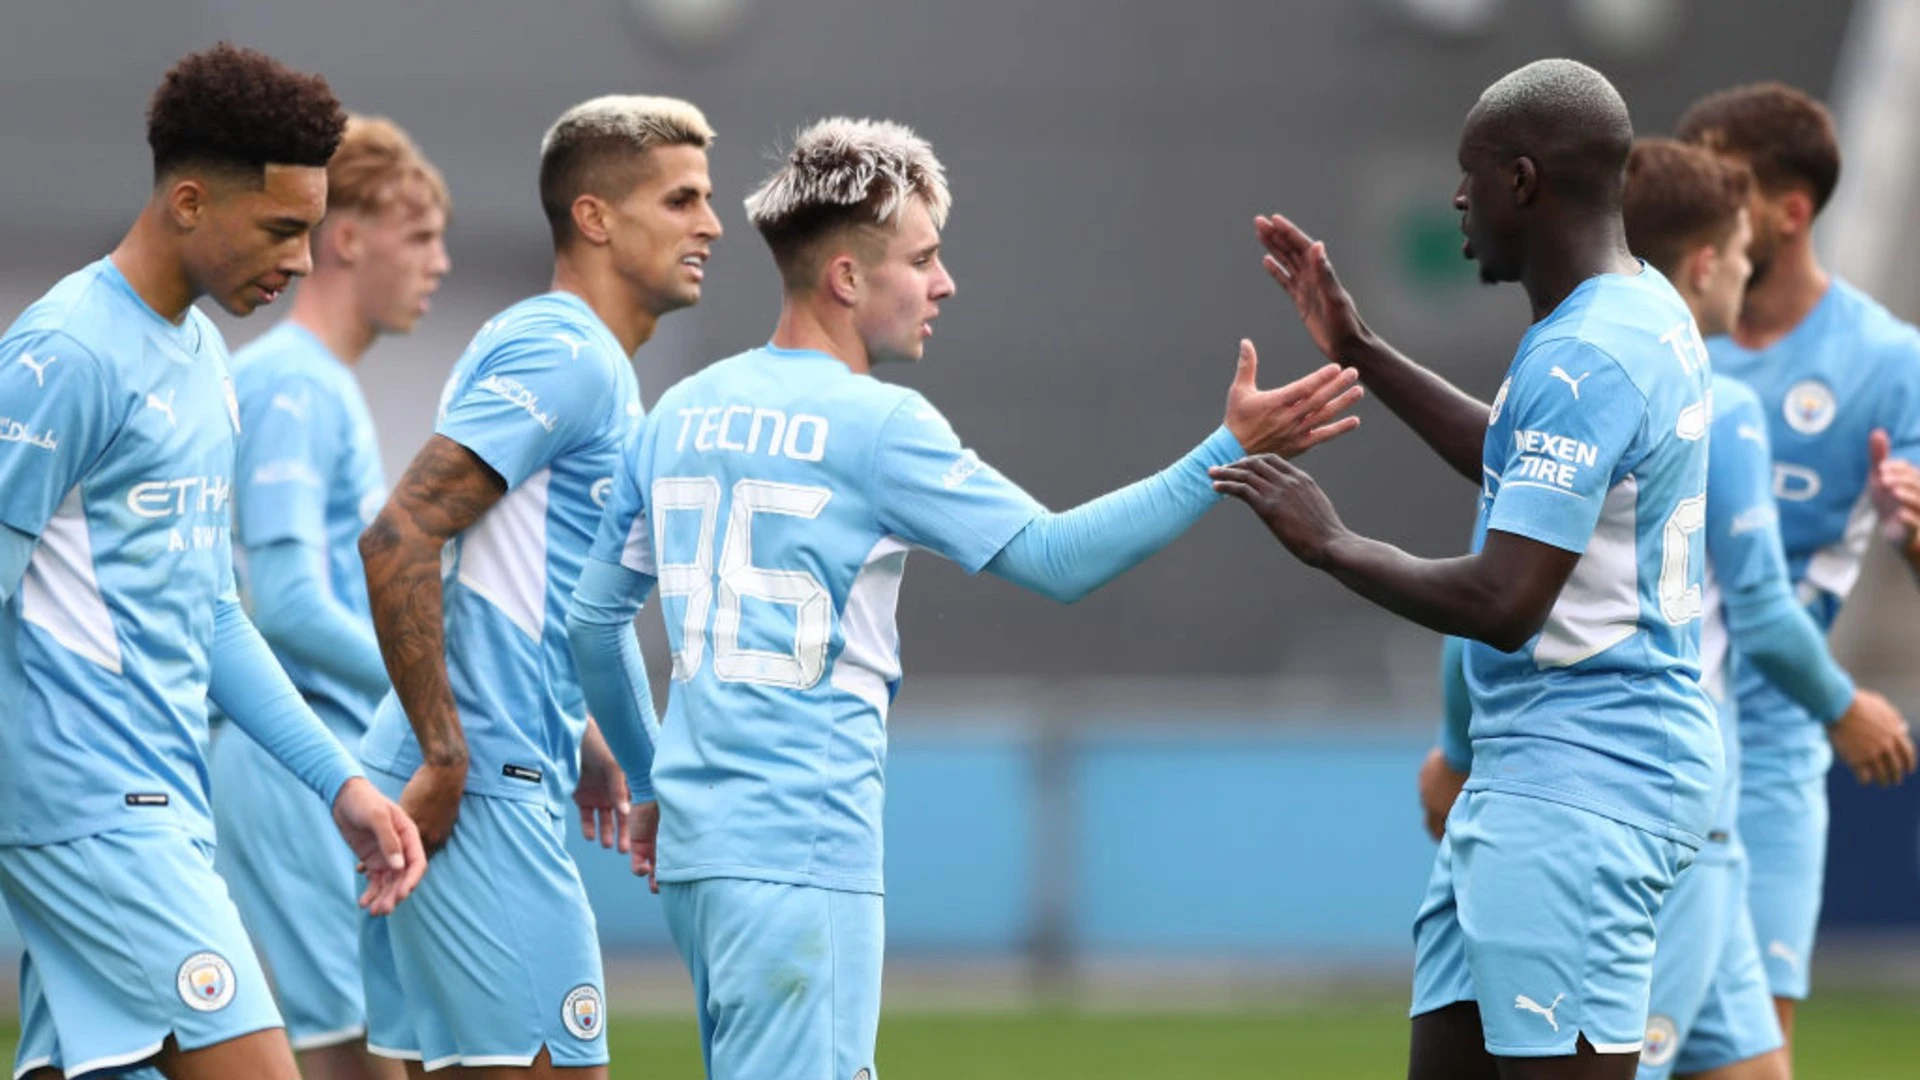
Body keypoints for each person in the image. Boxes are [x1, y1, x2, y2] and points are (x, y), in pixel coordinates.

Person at [566, 115, 1365, 1080]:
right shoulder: (879, 425)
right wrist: (1226, 452)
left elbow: (593, 623)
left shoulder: (682, 410)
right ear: (847, 278)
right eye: (922, 259)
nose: (943, 283)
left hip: (704, 863)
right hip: (802, 854)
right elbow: (1058, 559)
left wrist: (653, 787)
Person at [1213, 60, 1718, 1079]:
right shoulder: (1637, 311)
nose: (1456, 198)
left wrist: (1332, 543)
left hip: (1584, 787)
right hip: (1532, 775)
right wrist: (1359, 348)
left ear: (1521, 181)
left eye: (1471, 173)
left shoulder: (1587, 357)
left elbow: (1505, 601)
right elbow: (1524, 462)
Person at [0, 43, 424, 1080]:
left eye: (313, 230)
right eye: (282, 229)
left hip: (168, 804)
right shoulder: (66, 354)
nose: (303, 260)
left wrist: (340, 783)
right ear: (189, 202)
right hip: (93, 817)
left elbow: (217, 615)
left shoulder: (205, 363)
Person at [355, 94, 721, 1076]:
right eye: (681, 199)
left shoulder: (571, 353)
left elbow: (527, 579)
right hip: (475, 786)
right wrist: (448, 757)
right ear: (595, 217)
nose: (712, 225)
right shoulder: (568, 358)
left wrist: (587, 733)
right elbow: (399, 536)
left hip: (476, 767)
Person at [1678, 83, 1920, 1047]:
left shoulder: (1887, 361)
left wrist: (1913, 530)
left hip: (1776, 747)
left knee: (1753, 1044)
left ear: (1788, 211)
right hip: (1655, 735)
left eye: (1725, 185)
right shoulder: (1659, 342)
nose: (1704, 205)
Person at [211, 113, 450, 1080]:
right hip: (292, 757)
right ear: (347, 237)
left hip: (316, 752)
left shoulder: (315, 383)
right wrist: (435, 697)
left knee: (377, 1041)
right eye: (421, 235)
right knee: (351, 1052)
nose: (439, 263)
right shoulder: (292, 384)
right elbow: (288, 607)